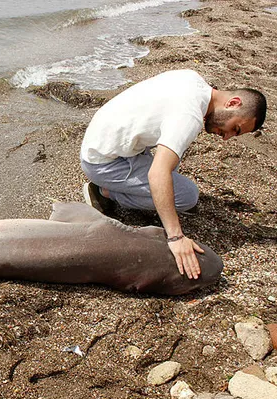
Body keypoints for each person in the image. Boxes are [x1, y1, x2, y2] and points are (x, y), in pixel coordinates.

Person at [80, 69, 266, 280]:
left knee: (173, 161)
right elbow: (158, 173)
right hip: (103, 161)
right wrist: (176, 237)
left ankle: (123, 186)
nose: (227, 137)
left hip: (105, 139)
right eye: (236, 129)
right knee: (186, 196)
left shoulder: (193, 79)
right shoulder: (189, 116)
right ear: (233, 103)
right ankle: (105, 192)